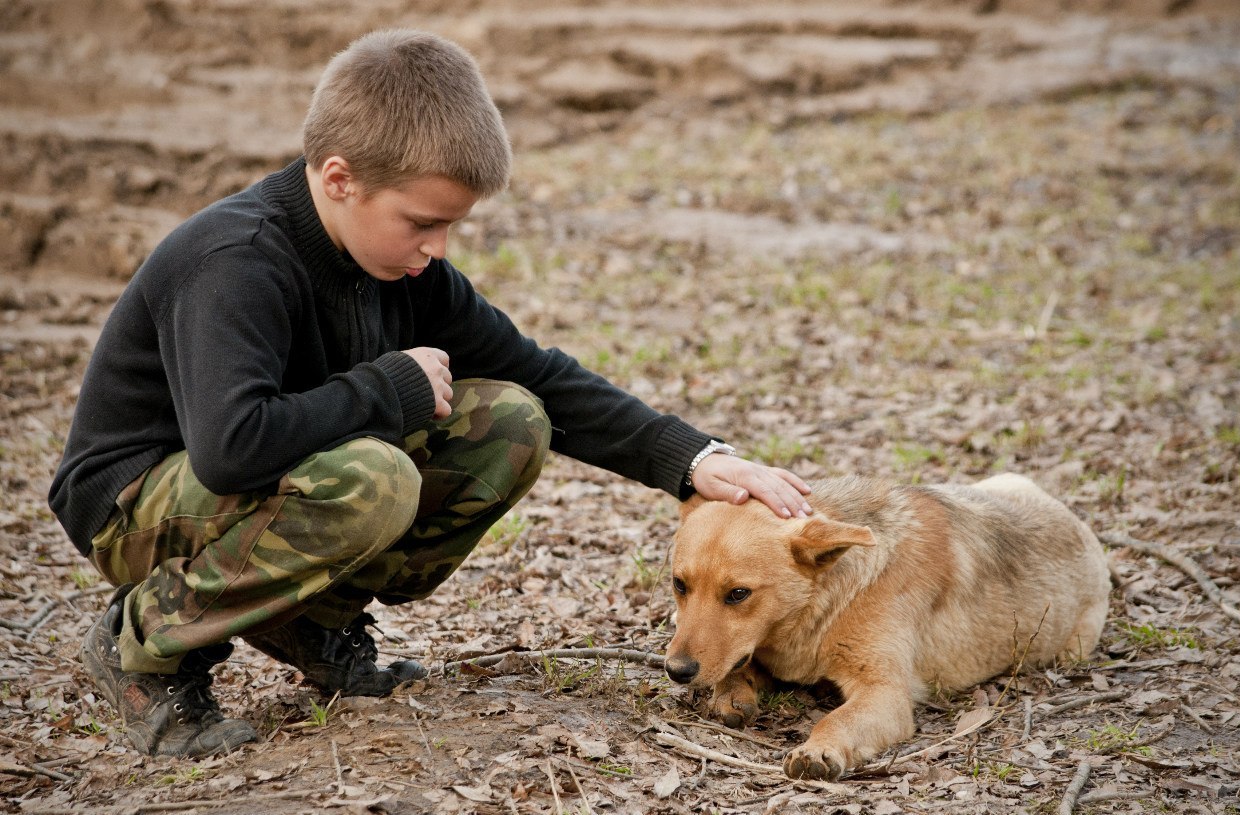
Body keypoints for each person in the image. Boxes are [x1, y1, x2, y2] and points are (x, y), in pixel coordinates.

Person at [48, 28, 812, 760]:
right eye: (421, 222)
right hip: (137, 501)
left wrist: (690, 458)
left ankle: (312, 619)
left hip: (259, 483)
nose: (437, 248)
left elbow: (538, 372)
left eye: (451, 226)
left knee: (512, 421)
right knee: (373, 479)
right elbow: (227, 447)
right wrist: (385, 388)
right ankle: (145, 643)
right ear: (340, 178)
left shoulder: (404, 269)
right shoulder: (236, 260)